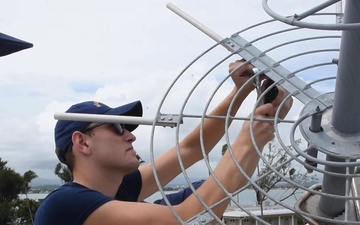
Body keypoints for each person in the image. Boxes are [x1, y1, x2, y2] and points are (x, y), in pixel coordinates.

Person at [34, 60, 292, 225]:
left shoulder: (120, 191)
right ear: (82, 142)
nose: (131, 135)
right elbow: (191, 220)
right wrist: (246, 142)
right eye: (117, 127)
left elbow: (189, 149)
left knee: (206, 188)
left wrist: (242, 91)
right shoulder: (66, 206)